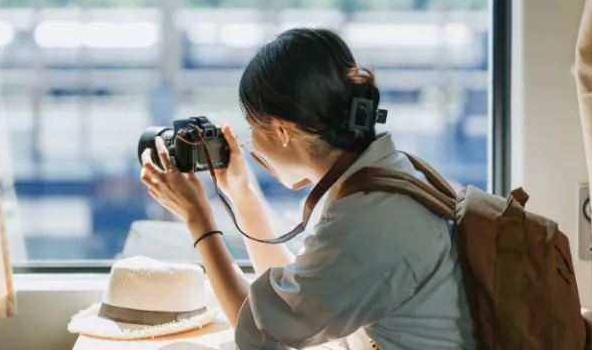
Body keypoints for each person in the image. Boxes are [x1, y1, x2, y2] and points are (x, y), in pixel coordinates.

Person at [139, 28, 476, 350]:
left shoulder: (364, 222)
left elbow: (259, 334)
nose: (249, 140)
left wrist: (198, 219)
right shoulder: (393, 175)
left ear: (283, 130)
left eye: (254, 126)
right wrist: (242, 193)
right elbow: (297, 302)